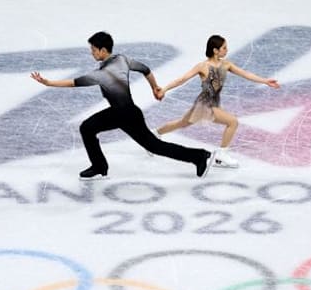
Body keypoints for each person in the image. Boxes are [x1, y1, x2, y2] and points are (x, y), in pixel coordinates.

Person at [30, 31, 216, 180]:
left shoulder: (101, 74)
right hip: (130, 113)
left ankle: (99, 167)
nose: (92, 53)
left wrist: (48, 83)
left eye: (94, 50)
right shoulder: (123, 60)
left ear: (103, 50)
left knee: (87, 128)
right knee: (154, 146)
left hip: (121, 113)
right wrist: (155, 88)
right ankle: (199, 156)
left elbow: (73, 83)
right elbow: (146, 70)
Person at [154, 35, 280, 168]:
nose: (226, 50)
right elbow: (182, 79)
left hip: (209, 102)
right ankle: (221, 155)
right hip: (205, 104)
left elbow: (245, 74)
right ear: (215, 50)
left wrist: (265, 81)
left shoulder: (226, 64)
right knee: (232, 122)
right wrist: (165, 89)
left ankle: (155, 133)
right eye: (224, 48)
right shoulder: (202, 66)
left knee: (183, 123)